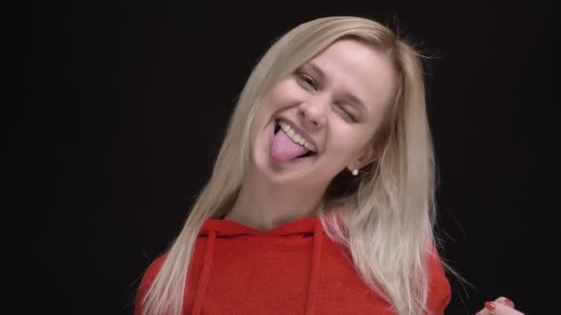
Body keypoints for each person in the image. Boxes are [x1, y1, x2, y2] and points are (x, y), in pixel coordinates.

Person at [134, 16, 525, 315]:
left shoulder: (399, 272)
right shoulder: (168, 285)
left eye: (347, 110)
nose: (314, 111)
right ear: (270, 81)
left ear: (364, 153)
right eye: (307, 80)